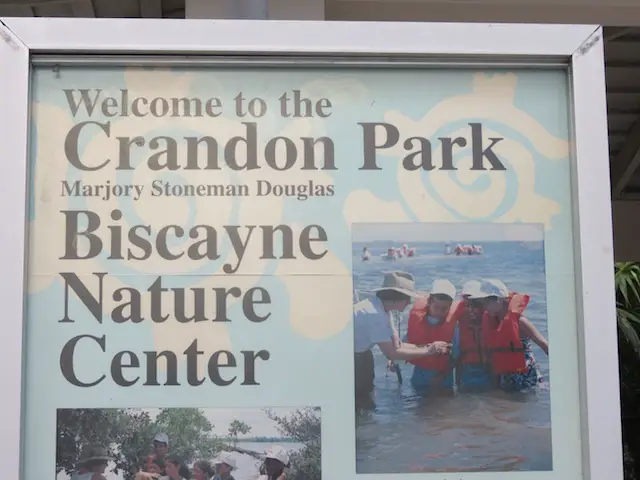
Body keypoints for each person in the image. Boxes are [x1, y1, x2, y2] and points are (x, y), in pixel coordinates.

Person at [354, 271, 452, 409]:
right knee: (361, 405)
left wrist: (429, 346)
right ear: (397, 297)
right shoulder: (374, 314)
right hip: (353, 359)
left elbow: (397, 345)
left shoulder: (382, 307)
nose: (410, 302)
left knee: (367, 402)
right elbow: (392, 354)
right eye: (408, 299)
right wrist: (429, 351)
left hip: (362, 354)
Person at [478, 279, 549, 392]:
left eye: (486, 303)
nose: (484, 307)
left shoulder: (520, 321)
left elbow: (544, 344)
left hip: (526, 375)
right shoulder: (493, 321)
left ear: (498, 300)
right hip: (505, 376)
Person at [405, 279, 465, 392]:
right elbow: (404, 344)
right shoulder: (416, 320)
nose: (440, 312)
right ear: (429, 301)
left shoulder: (454, 325)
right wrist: (394, 361)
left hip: (443, 377)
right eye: (436, 307)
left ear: (450, 306)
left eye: (444, 309)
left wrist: (442, 375)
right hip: (419, 374)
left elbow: (456, 355)